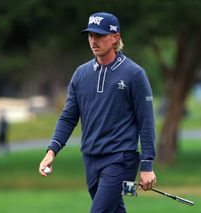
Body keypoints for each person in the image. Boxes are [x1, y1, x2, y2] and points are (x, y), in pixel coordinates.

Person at [39, 12, 157, 213]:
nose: (94, 41)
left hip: (120, 158)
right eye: (90, 35)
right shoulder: (81, 74)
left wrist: (146, 165)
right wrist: (52, 151)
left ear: (115, 38)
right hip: (91, 158)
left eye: (99, 35)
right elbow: (68, 118)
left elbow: (146, 121)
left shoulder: (134, 74)